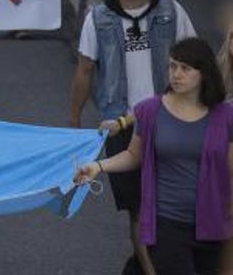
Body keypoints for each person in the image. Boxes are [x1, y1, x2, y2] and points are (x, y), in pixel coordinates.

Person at [68, 0, 197, 274]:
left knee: (174, 205)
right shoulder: (98, 18)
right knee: (138, 208)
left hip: (170, 121)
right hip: (120, 126)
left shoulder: (171, 11)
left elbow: (196, 61)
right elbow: (84, 69)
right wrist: (73, 121)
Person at [75, 38, 231, 275]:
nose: (176, 74)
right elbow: (132, 155)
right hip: (166, 223)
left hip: (211, 221)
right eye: (172, 66)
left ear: (204, 73)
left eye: (185, 68)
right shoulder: (151, 110)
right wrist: (98, 166)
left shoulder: (225, 115)